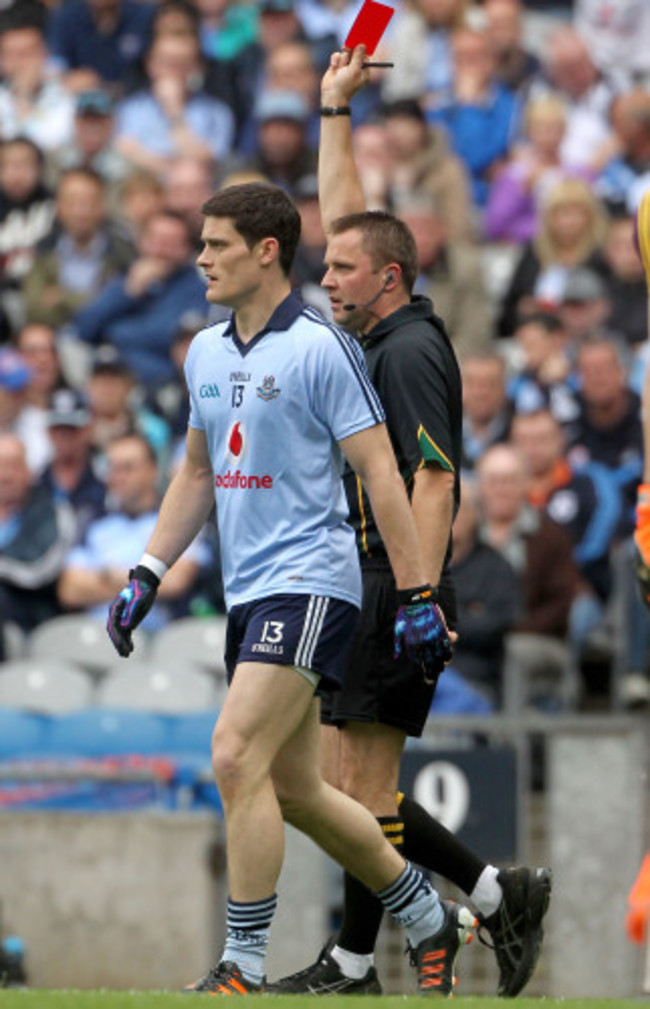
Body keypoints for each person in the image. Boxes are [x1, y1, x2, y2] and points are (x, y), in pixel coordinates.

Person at [105, 180, 477, 997]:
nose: (200, 259)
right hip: (251, 590)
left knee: (234, 755)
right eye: (200, 244)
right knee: (300, 790)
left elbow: (383, 470)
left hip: (314, 580)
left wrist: (418, 595)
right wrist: (149, 569)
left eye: (217, 245)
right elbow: (198, 471)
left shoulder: (319, 346)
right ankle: (425, 914)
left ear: (267, 251)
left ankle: (242, 961)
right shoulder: (204, 350)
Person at [269, 46, 550, 999]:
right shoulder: (373, 328)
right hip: (376, 574)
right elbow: (353, 220)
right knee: (357, 795)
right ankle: (480, 893)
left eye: (343, 268)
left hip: (399, 580)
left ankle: (385, 945)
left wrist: (419, 595)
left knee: (358, 794)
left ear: (387, 279)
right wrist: (334, 112)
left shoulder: (411, 351)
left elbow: (436, 482)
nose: (327, 274)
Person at [59, 432, 202, 627]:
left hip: (159, 639)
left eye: (127, 468)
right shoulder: (92, 521)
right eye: (112, 468)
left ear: (153, 470)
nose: (118, 477)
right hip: (97, 638)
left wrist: (107, 575)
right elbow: (70, 590)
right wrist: (146, 584)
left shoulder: (178, 519)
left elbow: (177, 582)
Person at [0, 431, 76, 632]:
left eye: (13, 466)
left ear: (29, 472)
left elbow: (40, 568)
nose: (5, 476)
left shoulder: (53, 511)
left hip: (30, 621)